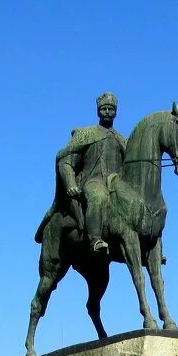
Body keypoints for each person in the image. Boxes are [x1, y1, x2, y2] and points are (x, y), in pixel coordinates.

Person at [56, 92, 127, 253]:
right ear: (98, 112)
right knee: (98, 196)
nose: (107, 112)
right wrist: (70, 184)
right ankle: (95, 239)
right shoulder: (86, 134)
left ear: (116, 112)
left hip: (116, 184)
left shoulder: (121, 139)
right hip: (93, 181)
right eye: (104, 109)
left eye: (111, 109)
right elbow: (66, 161)